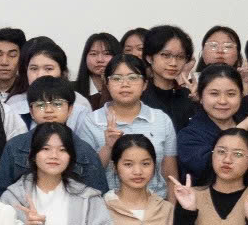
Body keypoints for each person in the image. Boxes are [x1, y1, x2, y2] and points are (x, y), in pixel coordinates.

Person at [71, 56, 175, 194]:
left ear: (145, 84)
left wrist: (171, 206)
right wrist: (108, 147)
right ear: (107, 83)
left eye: (133, 78)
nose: (125, 84)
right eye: (117, 78)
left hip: (156, 201)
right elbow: (86, 174)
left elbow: (170, 174)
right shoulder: (91, 121)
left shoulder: (161, 119)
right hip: (107, 203)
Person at [0, 77, 106, 196]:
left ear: (70, 109)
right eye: (40, 105)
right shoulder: (15, 146)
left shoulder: (84, 150)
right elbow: (0, 192)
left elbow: (97, 196)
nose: (49, 110)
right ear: (31, 111)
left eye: (57, 104)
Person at [173, 66, 248, 186]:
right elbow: (207, 168)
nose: (223, 101)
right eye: (214, 94)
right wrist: (240, 130)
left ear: (241, 95)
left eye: (231, 94)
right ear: (200, 96)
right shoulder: (189, 135)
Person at [141, 25, 198, 129]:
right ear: (149, 58)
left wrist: (199, 102)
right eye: (166, 55)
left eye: (180, 57)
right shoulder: (139, 95)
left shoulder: (189, 97)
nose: (173, 63)